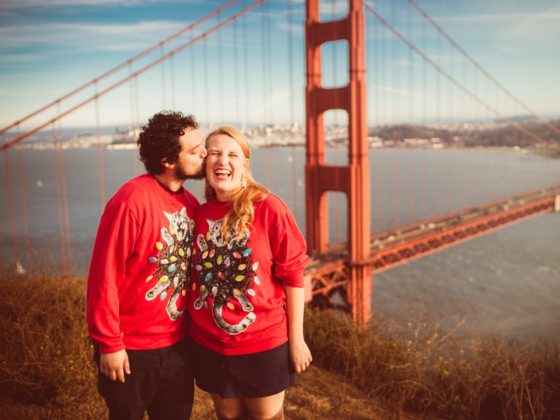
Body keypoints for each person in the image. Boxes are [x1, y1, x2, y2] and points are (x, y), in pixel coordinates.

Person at [86, 111, 207, 420]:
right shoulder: (131, 201)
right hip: (131, 351)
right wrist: (110, 345)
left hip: (179, 347)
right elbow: (104, 277)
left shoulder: (191, 204)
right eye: (195, 151)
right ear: (169, 160)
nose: (205, 154)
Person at [187, 126, 312, 420]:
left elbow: (294, 278)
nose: (222, 161)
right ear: (205, 163)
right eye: (214, 153)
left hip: (262, 344)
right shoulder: (200, 214)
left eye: (232, 154)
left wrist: (297, 340)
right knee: (227, 416)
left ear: (244, 165)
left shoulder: (269, 208)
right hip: (209, 345)